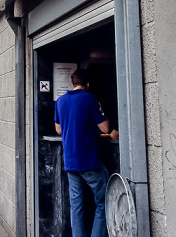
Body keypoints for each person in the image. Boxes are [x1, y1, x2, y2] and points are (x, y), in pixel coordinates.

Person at [54, 69, 118, 237]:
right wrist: (101, 110)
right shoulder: (90, 99)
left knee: (77, 208)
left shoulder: (60, 101)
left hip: (71, 163)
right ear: (87, 84)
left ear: (73, 82)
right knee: (104, 203)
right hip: (90, 162)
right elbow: (105, 128)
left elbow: (59, 130)